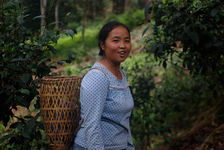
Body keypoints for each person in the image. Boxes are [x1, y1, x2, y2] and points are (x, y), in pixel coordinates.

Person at [73, 21, 135, 150]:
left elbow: (124, 120)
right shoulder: (98, 76)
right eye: (116, 40)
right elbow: (92, 125)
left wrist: (129, 146)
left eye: (127, 41)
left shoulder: (121, 75)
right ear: (102, 45)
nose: (122, 46)